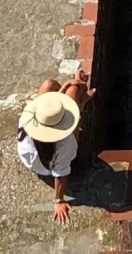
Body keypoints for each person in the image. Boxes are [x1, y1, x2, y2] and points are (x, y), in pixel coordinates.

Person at [17, 69, 95, 223]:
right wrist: (59, 200)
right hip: (47, 167)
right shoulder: (65, 144)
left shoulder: (28, 120)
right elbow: (60, 172)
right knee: (73, 91)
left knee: (49, 85)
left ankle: (78, 97)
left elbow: (50, 110)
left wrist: (65, 85)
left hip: (35, 158)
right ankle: (81, 102)